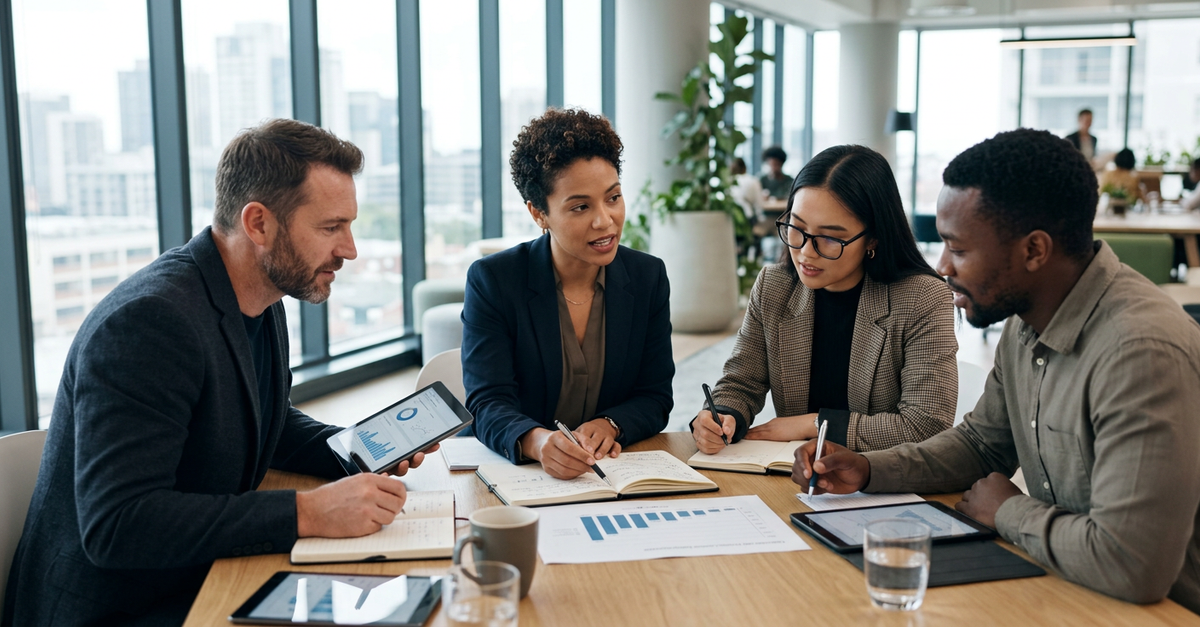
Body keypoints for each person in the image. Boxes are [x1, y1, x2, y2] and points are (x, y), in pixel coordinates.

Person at [3, 119, 438, 626]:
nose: (349, 249)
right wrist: (308, 512)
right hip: (121, 606)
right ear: (258, 224)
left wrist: (357, 449)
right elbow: (118, 525)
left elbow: (263, 420)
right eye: (330, 228)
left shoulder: (260, 296)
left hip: (196, 574)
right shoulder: (149, 322)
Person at [794, 129, 1200, 613]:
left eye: (958, 249)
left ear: (1034, 251)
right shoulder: (1028, 321)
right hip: (1066, 587)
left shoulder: (1140, 353)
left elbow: (1132, 563)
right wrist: (868, 469)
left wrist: (1009, 510)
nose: (942, 266)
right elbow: (981, 446)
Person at [692, 145, 957, 455]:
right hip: (794, 472)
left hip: (880, 475)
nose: (805, 252)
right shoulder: (774, 287)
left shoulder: (922, 299)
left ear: (873, 238)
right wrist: (723, 416)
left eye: (830, 238)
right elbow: (742, 383)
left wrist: (817, 424)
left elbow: (926, 425)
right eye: (797, 228)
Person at [462, 108, 673, 480]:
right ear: (538, 213)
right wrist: (537, 441)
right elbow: (487, 401)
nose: (605, 221)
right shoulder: (494, 280)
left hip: (606, 474)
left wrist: (611, 424)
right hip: (519, 477)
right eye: (580, 207)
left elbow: (655, 396)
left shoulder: (647, 277)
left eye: (613, 198)